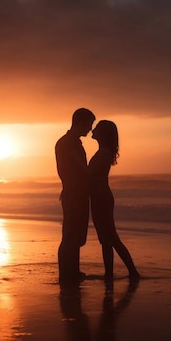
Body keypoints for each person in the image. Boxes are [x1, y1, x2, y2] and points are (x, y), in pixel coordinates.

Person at [88, 120, 140, 281]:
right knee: (106, 238)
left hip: (101, 197)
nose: (92, 130)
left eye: (96, 128)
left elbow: (90, 176)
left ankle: (131, 272)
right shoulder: (103, 151)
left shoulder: (103, 152)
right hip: (99, 196)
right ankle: (111, 273)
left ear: (102, 133)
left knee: (110, 237)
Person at [55, 108, 96, 285]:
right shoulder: (69, 143)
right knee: (71, 235)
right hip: (74, 193)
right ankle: (67, 273)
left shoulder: (69, 142)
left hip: (74, 192)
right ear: (79, 122)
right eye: (89, 124)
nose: (90, 129)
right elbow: (81, 168)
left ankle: (72, 271)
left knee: (75, 235)